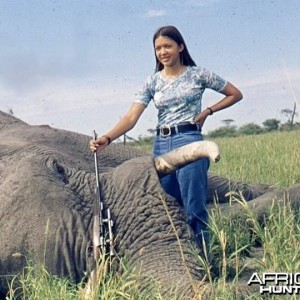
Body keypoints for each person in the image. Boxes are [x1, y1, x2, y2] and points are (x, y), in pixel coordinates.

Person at [89, 25, 243, 248]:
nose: (163, 52)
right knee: (169, 207)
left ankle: (205, 262)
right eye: (158, 48)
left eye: (167, 46)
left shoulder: (199, 74)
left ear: (180, 46)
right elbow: (132, 117)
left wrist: (208, 111)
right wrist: (107, 138)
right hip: (161, 144)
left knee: (194, 207)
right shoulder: (152, 81)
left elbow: (235, 94)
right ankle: (180, 258)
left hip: (189, 140)